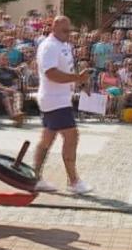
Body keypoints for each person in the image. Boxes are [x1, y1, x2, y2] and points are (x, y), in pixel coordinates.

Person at [32, 16, 93, 194]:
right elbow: (51, 73)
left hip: (60, 98)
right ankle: (73, 181)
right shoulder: (48, 46)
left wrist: (80, 83)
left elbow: (67, 70)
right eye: (64, 31)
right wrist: (78, 78)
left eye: (69, 31)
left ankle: (35, 177)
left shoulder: (64, 46)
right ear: (54, 27)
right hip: (54, 99)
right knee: (72, 136)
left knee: (47, 139)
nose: (68, 34)